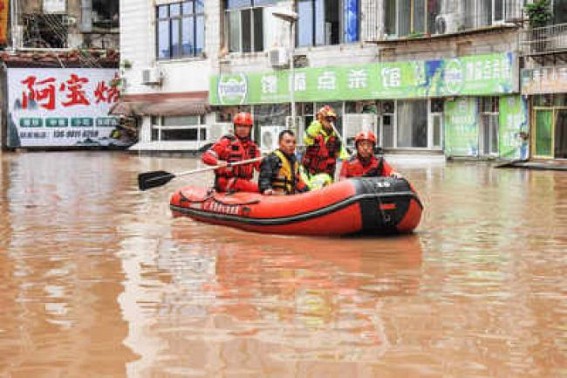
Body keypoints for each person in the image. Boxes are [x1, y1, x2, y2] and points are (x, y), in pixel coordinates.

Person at [201, 112, 261, 192]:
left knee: (261, 186)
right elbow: (206, 156)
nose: (242, 129)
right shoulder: (225, 143)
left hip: (245, 182)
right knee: (258, 189)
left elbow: (260, 167)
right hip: (226, 182)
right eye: (239, 126)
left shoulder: (253, 147)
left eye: (246, 126)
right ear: (235, 127)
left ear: (250, 129)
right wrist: (217, 162)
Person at [301, 105, 349, 188]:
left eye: (332, 119)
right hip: (310, 175)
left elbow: (345, 158)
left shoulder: (336, 139)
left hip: (327, 178)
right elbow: (307, 138)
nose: (330, 122)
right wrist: (318, 122)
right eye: (327, 119)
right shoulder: (313, 134)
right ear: (321, 120)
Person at [258, 129, 309, 195]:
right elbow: (264, 179)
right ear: (279, 143)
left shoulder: (294, 161)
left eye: (294, 142)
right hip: (276, 197)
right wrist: (266, 189)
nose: (291, 145)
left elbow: (298, 181)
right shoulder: (272, 159)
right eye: (288, 142)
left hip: (290, 197)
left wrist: (308, 190)